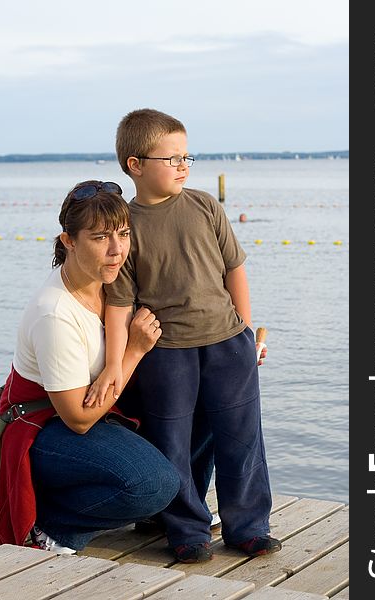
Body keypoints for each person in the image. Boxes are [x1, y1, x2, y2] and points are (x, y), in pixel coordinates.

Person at [87, 108, 280, 563]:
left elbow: (235, 268)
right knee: (172, 443)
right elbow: (119, 302)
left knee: (241, 438)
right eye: (171, 158)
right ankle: (187, 530)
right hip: (166, 353)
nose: (183, 166)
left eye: (186, 157)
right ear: (135, 165)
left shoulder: (204, 205)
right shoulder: (126, 227)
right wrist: (116, 363)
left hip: (227, 342)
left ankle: (248, 526)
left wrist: (246, 333)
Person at [0, 180, 180, 554]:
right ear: (69, 241)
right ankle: (52, 525)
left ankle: (171, 513)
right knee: (153, 483)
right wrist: (134, 352)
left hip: (99, 411)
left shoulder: (110, 281)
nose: (117, 250)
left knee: (206, 396)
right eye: (100, 238)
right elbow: (78, 417)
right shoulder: (55, 313)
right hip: (44, 430)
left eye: (124, 234)